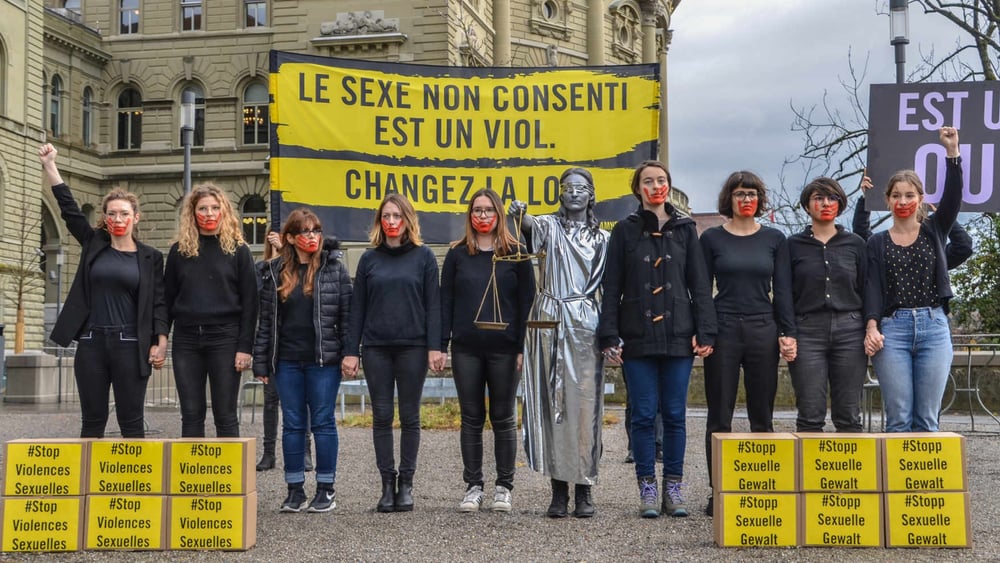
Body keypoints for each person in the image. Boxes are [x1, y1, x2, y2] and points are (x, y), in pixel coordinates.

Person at [599, 160, 716, 518]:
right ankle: (647, 487)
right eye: (648, 181)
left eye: (661, 180)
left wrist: (705, 329)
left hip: (679, 334)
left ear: (669, 185)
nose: (655, 186)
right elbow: (611, 286)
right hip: (637, 335)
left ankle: (674, 487)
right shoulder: (624, 231)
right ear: (638, 189)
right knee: (644, 414)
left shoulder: (686, 230)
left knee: (676, 414)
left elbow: (700, 284)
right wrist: (609, 334)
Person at [39, 143, 168, 438]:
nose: (118, 219)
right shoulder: (94, 244)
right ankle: (90, 471)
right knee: (92, 422)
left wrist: (160, 341)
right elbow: (70, 211)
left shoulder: (150, 257)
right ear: (105, 218)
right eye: (112, 214)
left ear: (136, 217)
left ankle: (133, 470)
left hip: (130, 343)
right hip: (91, 342)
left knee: (131, 422)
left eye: (124, 214)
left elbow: (159, 302)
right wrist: (50, 165)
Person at [509, 167, 610, 519]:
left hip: (585, 323)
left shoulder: (602, 238)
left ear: (591, 194)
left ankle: (584, 488)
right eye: (568, 187)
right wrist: (518, 211)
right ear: (560, 193)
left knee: (585, 409)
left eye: (581, 188)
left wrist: (612, 333)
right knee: (553, 405)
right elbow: (526, 224)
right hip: (548, 319)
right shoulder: (549, 227)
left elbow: (610, 286)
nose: (574, 193)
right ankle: (558, 491)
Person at [699, 171, 797, 517]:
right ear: (730, 198)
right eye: (740, 194)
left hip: (762, 328)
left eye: (752, 194)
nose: (746, 199)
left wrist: (788, 331)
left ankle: (762, 486)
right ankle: (718, 490)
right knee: (719, 415)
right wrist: (705, 332)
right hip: (724, 327)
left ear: (760, 199)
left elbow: (782, 290)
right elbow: (702, 289)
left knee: (762, 414)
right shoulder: (712, 238)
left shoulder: (775, 239)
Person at [341, 194, 446, 513]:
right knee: (382, 416)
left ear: (407, 220)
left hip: (413, 347)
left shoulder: (424, 257)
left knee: (410, 416)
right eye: (386, 216)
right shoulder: (369, 259)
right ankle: (387, 484)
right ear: (379, 221)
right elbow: (357, 309)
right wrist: (351, 351)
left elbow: (433, 305)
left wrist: (436, 347)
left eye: (397, 216)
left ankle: (407, 485)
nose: (391, 221)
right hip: (377, 349)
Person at [440, 188, 536, 513]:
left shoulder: (516, 253)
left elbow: (527, 302)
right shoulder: (457, 254)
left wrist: (523, 346)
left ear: (499, 214)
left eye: (488, 210)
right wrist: (440, 345)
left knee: (503, 417)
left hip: (505, 349)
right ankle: (473, 486)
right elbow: (445, 301)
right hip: (466, 348)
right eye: (477, 210)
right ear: (470, 215)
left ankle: (504, 487)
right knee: (471, 418)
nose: (482, 216)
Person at [864, 126, 964, 433]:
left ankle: (925, 467)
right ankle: (897, 467)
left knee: (927, 420)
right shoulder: (877, 242)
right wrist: (871, 326)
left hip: (934, 327)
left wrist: (952, 153)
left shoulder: (934, 230)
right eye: (896, 195)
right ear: (887, 200)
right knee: (899, 418)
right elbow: (872, 288)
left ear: (921, 198)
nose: (903, 200)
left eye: (909, 195)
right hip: (893, 330)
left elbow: (953, 198)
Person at [253, 208, 352, 513]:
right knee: (293, 424)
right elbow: (266, 321)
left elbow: (347, 316)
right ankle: (294, 490)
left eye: (316, 230)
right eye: (305, 231)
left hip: (324, 361)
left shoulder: (334, 268)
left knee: (323, 422)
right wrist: (261, 362)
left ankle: (326, 489)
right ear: (290, 238)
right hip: (286, 361)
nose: (312, 237)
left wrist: (351, 353)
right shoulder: (274, 271)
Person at [165, 184, 258, 437]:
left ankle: (229, 464)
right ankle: (192, 464)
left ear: (224, 211)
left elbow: (251, 303)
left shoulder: (239, 251)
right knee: (191, 414)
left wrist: (245, 347)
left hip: (225, 338)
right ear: (192, 213)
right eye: (203, 208)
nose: (209, 213)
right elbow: (167, 299)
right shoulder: (179, 251)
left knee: (225, 414)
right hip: (186, 339)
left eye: (215, 208)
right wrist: (160, 339)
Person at [787, 178, 867, 433]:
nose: (825, 203)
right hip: (807, 330)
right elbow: (784, 292)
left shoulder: (855, 244)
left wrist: (871, 326)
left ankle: (850, 459)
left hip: (850, 330)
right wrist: (787, 332)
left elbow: (867, 288)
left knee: (849, 414)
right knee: (810, 413)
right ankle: (810, 460)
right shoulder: (792, 245)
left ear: (840, 204)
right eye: (818, 198)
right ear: (807, 205)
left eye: (832, 198)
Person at [255, 229, 314, 473]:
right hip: (274, 346)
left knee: (303, 401)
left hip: (298, 346)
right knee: (271, 400)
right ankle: (269, 452)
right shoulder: (263, 269)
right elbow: (260, 299)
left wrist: (283, 252)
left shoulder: (304, 268)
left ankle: (305, 451)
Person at [854, 173, 972, 270]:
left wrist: (945, 217)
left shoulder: (935, 253)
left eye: (910, 196)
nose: (903, 203)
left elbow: (963, 247)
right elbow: (862, 236)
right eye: (896, 196)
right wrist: (867, 199)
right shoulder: (883, 246)